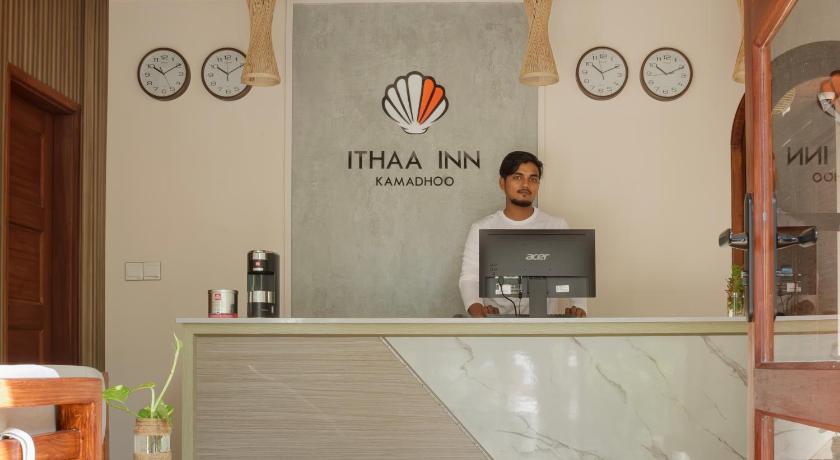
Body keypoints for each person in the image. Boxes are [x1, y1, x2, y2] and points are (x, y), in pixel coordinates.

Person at [458, 151, 588, 318]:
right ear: (502, 183)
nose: (526, 184)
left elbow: (574, 277)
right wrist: (479, 312)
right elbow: (469, 278)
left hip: (545, 327)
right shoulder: (481, 228)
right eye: (517, 177)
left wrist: (578, 308)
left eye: (533, 179)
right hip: (495, 326)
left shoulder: (557, 226)